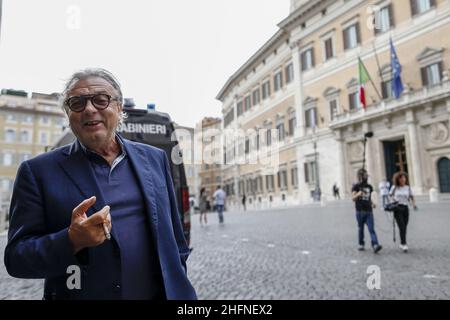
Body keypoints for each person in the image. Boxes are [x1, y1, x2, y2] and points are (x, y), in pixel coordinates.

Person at [4, 68, 196, 300]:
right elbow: (16, 259)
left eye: (101, 99)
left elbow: (175, 236)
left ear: (119, 107)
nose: (89, 108)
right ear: (68, 114)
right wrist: (71, 240)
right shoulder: (37, 172)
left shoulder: (154, 158)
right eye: (77, 103)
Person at [351, 169, 383, 254]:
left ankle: (375, 244)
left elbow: (370, 197)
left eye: (366, 175)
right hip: (359, 211)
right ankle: (361, 243)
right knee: (360, 228)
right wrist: (358, 194)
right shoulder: (356, 186)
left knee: (371, 229)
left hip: (369, 211)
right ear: (360, 176)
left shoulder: (369, 187)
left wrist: (373, 203)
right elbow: (353, 198)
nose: (366, 177)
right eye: (364, 175)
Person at [389, 172, 418, 253]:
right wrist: (393, 200)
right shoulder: (394, 187)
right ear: (398, 179)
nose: (403, 179)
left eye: (404, 178)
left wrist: (414, 204)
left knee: (404, 226)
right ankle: (404, 244)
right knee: (402, 226)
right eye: (401, 178)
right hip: (397, 208)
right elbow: (390, 195)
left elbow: (412, 196)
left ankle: (402, 242)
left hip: (405, 208)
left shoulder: (407, 188)